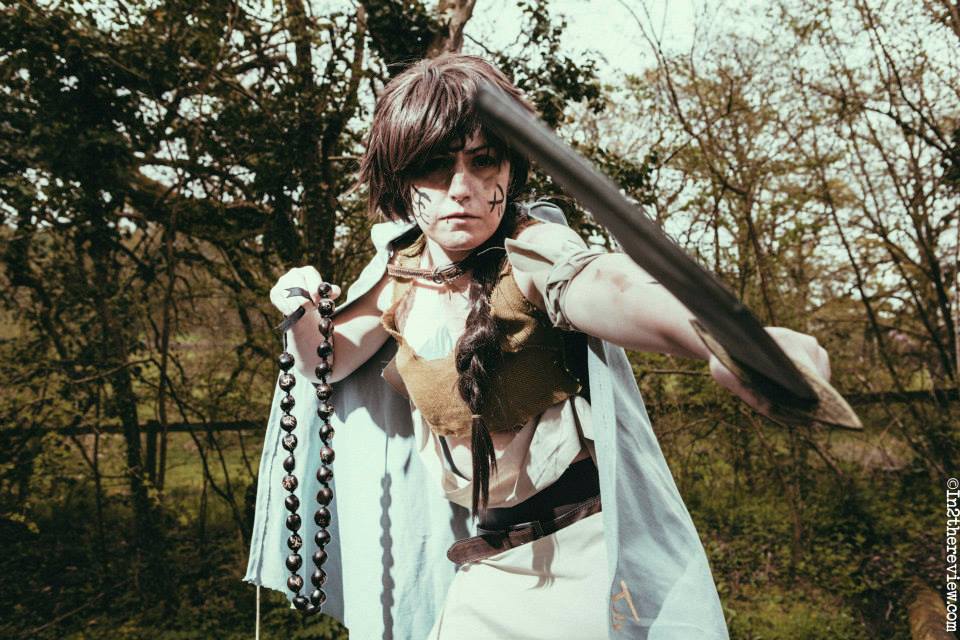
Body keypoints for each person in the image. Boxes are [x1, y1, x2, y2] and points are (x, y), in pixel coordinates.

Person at [245, 53, 831, 639]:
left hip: (585, 564)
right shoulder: (397, 277)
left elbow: (605, 285)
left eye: (483, 161)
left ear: (511, 167)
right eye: (434, 166)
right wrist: (298, 309)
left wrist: (722, 339)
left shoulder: (533, 249)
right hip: (485, 569)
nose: (462, 189)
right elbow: (323, 360)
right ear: (400, 178)